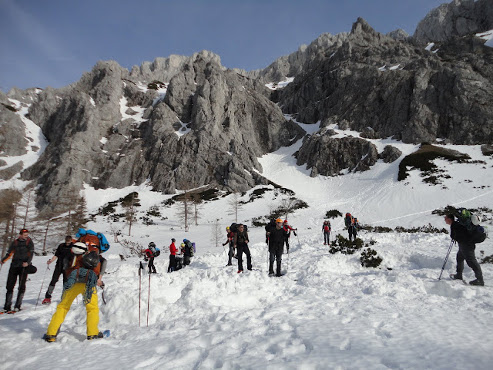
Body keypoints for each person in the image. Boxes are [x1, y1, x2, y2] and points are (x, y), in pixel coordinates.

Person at [44, 241, 107, 342]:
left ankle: (51, 333)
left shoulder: (68, 257)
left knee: (63, 307)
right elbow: (102, 263)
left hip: (72, 283)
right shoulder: (90, 255)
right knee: (92, 309)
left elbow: (65, 269)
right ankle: (92, 333)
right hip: (88, 284)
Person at [1, 228, 35, 313]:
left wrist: (27, 262)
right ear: (20, 235)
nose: (26, 236)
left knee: (21, 286)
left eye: (27, 235)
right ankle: (7, 306)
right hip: (14, 265)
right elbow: (10, 253)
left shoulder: (29, 242)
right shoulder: (15, 242)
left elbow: (31, 254)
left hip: (24, 266)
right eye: (24, 235)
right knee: (9, 286)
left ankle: (17, 306)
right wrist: (3, 260)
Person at [445, 214, 484, 286]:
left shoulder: (455, 225)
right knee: (459, 257)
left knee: (471, 261)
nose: (445, 219)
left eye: (446, 218)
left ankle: (480, 279)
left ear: (449, 219)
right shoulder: (457, 224)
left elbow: (454, 235)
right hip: (465, 244)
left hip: (466, 245)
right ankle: (459, 275)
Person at [42, 235, 74, 304]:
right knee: (53, 280)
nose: (67, 244)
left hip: (68, 267)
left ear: (71, 241)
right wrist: (51, 260)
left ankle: (65, 297)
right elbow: (56, 255)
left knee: (66, 283)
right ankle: (47, 297)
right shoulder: (61, 246)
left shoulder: (73, 247)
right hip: (59, 265)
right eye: (66, 242)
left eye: (68, 242)